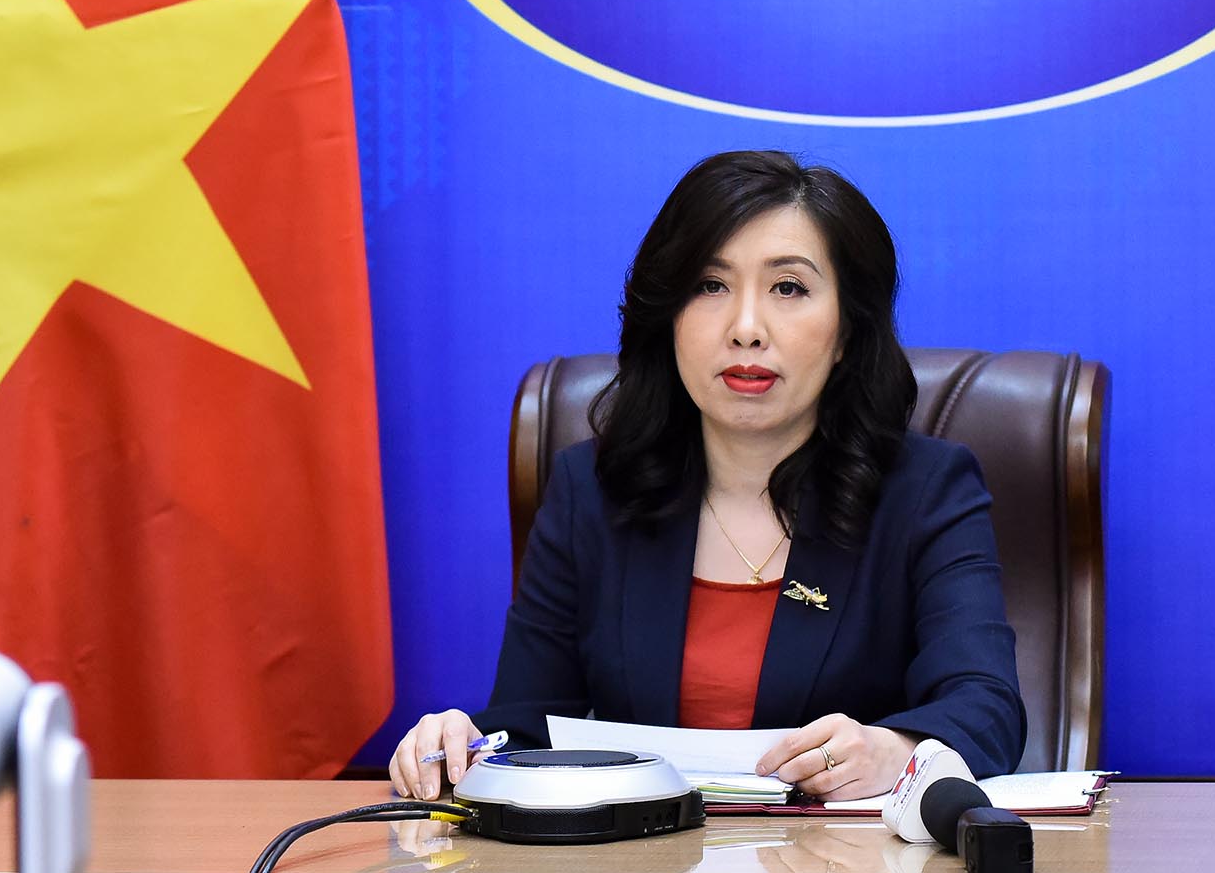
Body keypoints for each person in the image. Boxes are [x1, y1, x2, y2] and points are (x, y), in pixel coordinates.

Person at [391, 150, 1025, 802]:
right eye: (709, 285)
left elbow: (988, 709)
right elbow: (524, 729)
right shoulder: (592, 489)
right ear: (669, 317)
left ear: (846, 332)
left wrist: (899, 750)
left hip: (843, 848)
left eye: (788, 288)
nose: (746, 329)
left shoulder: (925, 491)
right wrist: (462, 746)